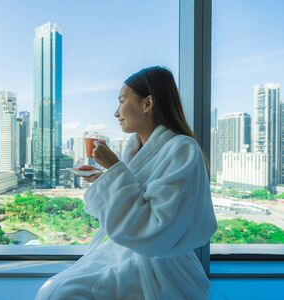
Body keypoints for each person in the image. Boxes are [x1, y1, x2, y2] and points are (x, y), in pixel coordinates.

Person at [35, 66, 218, 299]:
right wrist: (107, 179)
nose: (116, 113)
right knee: (54, 289)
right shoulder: (134, 150)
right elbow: (136, 197)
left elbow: (157, 227)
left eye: (121, 101)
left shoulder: (182, 149)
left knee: (63, 293)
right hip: (125, 252)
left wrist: (114, 169)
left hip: (161, 265)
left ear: (148, 104)